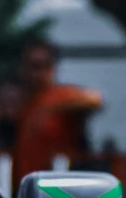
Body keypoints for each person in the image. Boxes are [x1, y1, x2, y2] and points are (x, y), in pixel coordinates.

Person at [9, 39, 102, 179]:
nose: (33, 73)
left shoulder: (60, 95)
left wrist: (53, 108)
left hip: (56, 184)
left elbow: (94, 99)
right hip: (25, 182)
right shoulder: (24, 101)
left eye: (38, 66)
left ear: (51, 68)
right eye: (28, 65)